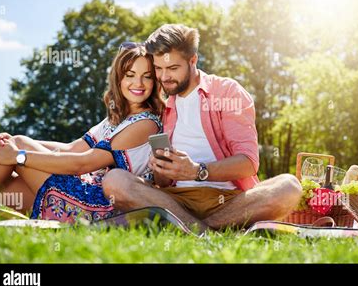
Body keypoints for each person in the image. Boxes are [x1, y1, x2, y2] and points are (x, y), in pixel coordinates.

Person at [102, 24, 302, 232]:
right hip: (175, 201)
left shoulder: (227, 92)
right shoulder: (162, 106)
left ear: (193, 60)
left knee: (288, 187)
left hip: (229, 201)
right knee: (115, 180)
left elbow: (248, 163)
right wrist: (162, 168)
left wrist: (197, 171)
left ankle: (193, 229)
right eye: (158, 69)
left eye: (172, 69)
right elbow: (163, 182)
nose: (164, 77)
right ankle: (206, 230)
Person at [0, 43, 164, 222]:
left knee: (18, 148)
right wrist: (11, 144)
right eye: (130, 75)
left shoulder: (146, 123)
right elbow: (72, 149)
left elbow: (82, 164)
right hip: (83, 194)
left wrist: (18, 155)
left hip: (98, 207)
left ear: (154, 82)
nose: (138, 83)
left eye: (146, 77)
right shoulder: (116, 119)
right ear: (118, 79)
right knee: (8, 172)